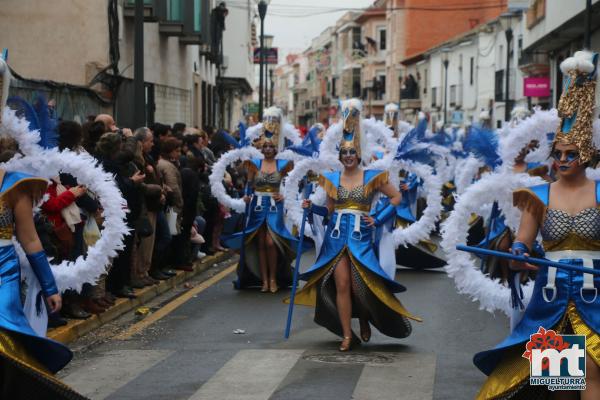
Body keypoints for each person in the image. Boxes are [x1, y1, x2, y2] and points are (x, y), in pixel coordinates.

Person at [474, 50, 600, 399]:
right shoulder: (537, 196)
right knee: (562, 384)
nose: (562, 160)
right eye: (557, 153)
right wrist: (518, 255)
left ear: (586, 154)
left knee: (592, 372)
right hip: (552, 296)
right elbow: (522, 243)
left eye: (570, 153)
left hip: (597, 295)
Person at [295, 99, 421, 351]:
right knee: (340, 283)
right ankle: (346, 334)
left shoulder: (373, 176)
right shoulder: (331, 178)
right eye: (345, 152)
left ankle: (364, 317)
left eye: (353, 152)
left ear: (359, 153)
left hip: (361, 236)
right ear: (340, 155)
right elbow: (329, 210)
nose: (349, 156)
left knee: (358, 283)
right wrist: (312, 209)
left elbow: (395, 197)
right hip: (336, 236)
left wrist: (378, 218)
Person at [222, 107, 308, 291]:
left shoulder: (284, 164)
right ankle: (266, 280)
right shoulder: (254, 164)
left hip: (275, 207)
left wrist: (284, 195)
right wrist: (246, 196)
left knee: (271, 242)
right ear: (261, 147)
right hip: (257, 206)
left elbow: (293, 182)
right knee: (260, 243)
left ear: (276, 147)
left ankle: (275, 278)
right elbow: (249, 185)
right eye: (265, 146)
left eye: (271, 146)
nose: (268, 149)